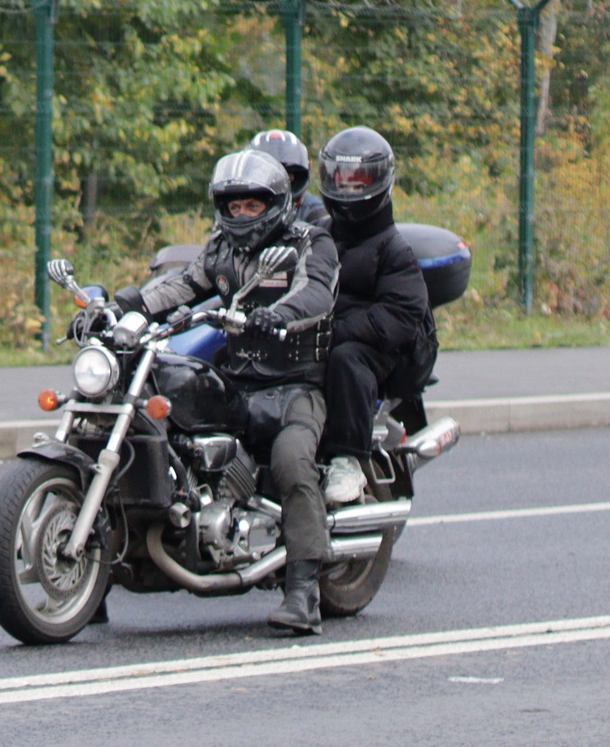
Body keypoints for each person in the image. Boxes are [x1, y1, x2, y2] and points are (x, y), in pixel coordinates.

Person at [114, 148, 340, 636]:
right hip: (239, 381)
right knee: (166, 423)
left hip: (295, 385)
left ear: (276, 203)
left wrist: (277, 316)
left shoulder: (309, 242)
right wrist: (127, 307)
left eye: (252, 207)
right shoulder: (222, 248)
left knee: (291, 460)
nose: (241, 216)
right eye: (233, 207)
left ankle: (303, 592)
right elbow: (184, 285)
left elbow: (318, 292)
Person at [313, 126, 434, 507]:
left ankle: (347, 459)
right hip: (332, 335)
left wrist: (336, 332)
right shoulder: (318, 236)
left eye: (358, 180)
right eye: (341, 179)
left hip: (391, 350)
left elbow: (399, 315)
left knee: (345, 359)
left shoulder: (394, 248)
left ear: (379, 181)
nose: (348, 188)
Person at [248, 128, 329, 231]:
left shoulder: (316, 213)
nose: (279, 184)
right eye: (270, 177)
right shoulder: (239, 210)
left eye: (287, 176)